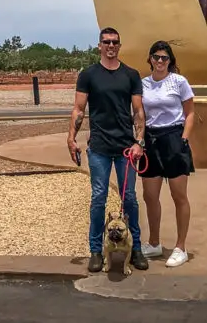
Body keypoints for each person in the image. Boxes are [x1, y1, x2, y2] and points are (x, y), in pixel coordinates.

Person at [67, 26, 149, 273]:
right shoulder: (89, 75)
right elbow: (79, 109)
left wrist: (139, 142)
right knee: (98, 199)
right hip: (100, 148)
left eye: (115, 42)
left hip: (126, 147)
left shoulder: (131, 75)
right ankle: (95, 250)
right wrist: (71, 138)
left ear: (119, 46)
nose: (111, 46)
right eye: (107, 42)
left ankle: (135, 250)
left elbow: (138, 111)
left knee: (130, 199)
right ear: (99, 45)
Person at [137, 40, 195, 268]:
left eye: (165, 58)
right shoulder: (143, 84)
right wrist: (139, 140)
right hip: (151, 140)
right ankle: (154, 243)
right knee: (150, 196)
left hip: (174, 138)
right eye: (156, 57)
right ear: (150, 59)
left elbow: (190, 113)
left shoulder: (179, 82)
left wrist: (184, 139)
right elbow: (139, 114)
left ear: (170, 61)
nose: (160, 61)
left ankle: (181, 247)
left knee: (178, 195)